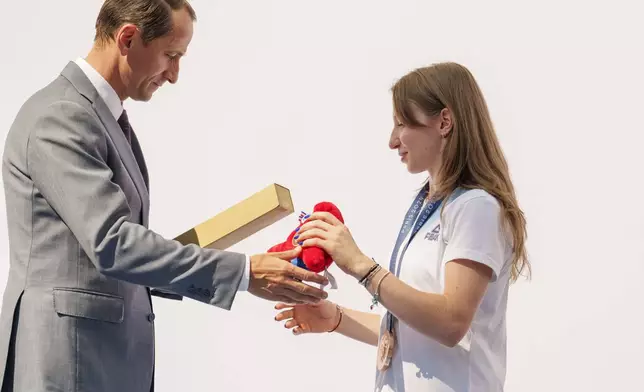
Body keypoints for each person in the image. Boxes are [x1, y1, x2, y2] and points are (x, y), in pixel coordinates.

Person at [0, 1, 329, 391]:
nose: (173, 75)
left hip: (99, 360)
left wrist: (240, 268)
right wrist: (244, 272)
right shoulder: (62, 115)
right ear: (127, 38)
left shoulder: (101, 117)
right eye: (171, 56)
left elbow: (107, 254)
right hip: (68, 363)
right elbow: (114, 243)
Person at [274, 62, 530, 391]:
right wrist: (336, 318)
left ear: (444, 121)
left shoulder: (475, 207)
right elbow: (414, 331)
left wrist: (360, 265)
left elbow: (451, 323)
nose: (392, 141)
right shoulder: (430, 204)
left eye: (401, 124)